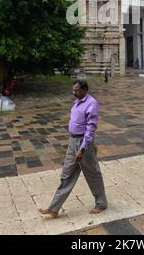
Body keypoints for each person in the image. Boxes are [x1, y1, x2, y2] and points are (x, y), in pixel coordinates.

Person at [39, 81, 108, 218]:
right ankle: (54, 208)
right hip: (73, 141)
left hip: (84, 143)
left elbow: (91, 128)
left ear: (84, 90)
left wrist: (82, 149)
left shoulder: (91, 103)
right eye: (73, 90)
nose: (73, 93)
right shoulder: (77, 101)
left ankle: (101, 203)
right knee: (67, 174)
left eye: (76, 90)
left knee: (92, 173)